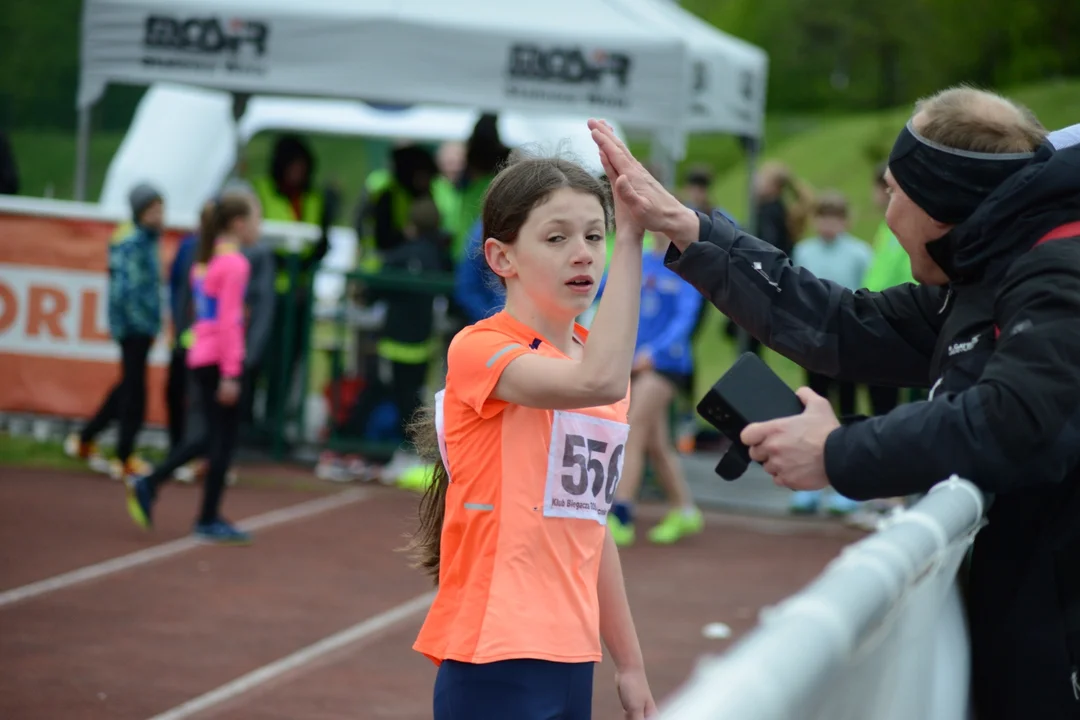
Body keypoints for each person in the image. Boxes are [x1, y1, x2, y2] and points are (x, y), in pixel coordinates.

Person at [589, 90, 1080, 718]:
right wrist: (692, 229)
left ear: (942, 207)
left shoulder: (1058, 269)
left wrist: (835, 451)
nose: (887, 210)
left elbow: (1014, 421)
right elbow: (841, 325)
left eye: (896, 191)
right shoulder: (991, 270)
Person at [407, 142, 656, 719]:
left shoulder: (596, 362)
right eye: (556, 237)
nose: (583, 255)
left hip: (572, 656)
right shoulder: (481, 348)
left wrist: (631, 664)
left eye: (597, 236)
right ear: (502, 257)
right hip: (496, 654)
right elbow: (600, 381)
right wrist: (633, 239)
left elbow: (592, 530)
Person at [126, 191, 262, 545]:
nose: (259, 227)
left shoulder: (208, 256)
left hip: (202, 353)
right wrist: (232, 372)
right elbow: (230, 321)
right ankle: (204, 515)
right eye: (255, 219)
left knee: (208, 436)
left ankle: (154, 485)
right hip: (219, 358)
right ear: (237, 223)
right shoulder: (234, 263)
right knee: (221, 440)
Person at [605, 230, 705, 546]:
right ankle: (685, 510)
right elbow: (604, 292)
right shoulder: (638, 259)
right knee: (656, 443)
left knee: (632, 428)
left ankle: (621, 513)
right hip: (634, 361)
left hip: (667, 366)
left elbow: (684, 321)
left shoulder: (686, 268)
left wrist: (655, 352)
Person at [65, 183, 165, 480]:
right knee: (135, 392)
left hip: (142, 326)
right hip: (134, 327)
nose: (160, 215)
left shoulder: (146, 238)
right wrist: (138, 324)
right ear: (139, 211)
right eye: (153, 210)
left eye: (161, 209)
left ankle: (86, 438)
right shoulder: (131, 240)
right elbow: (126, 290)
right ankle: (124, 455)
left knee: (127, 386)